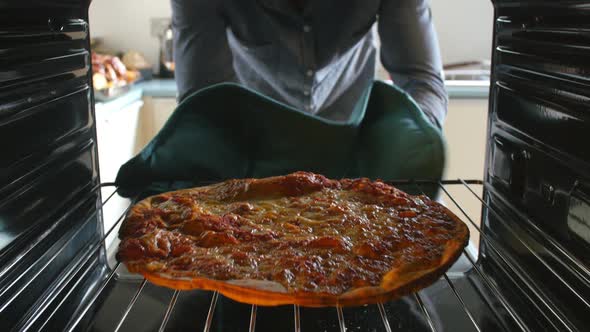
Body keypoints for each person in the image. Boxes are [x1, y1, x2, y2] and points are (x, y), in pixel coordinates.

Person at [171, 0, 447, 129]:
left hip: (357, 149)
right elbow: (200, 100)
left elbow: (420, 80)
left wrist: (408, 134)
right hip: (252, 153)